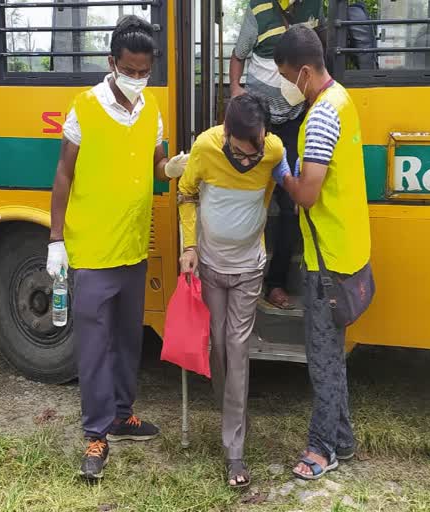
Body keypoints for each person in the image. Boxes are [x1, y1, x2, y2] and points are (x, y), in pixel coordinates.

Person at [46, 16, 189, 481]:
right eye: (130, 68)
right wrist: (55, 238)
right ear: (112, 62)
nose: (138, 77)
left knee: (129, 340)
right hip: (92, 250)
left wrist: (172, 168)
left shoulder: (152, 109)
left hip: (132, 245)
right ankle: (95, 432)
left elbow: (157, 162)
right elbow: (64, 173)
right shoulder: (85, 107)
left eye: (145, 70)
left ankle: (124, 415)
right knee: (93, 346)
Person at [271, 25, 373, 480]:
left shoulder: (320, 116)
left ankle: (322, 448)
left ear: (305, 71)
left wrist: (281, 174)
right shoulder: (342, 101)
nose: (283, 85)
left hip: (326, 260)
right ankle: (344, 440)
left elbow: (308, 194)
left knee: (324, 361)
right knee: (333, 355)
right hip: (347, 250)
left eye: (285, 75)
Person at [178, 94, 289, 488]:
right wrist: (190, 246)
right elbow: (187, 194)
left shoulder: (273, 150)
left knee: (237, 346)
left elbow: (284, 177)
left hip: (248, 268)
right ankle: (233, 413)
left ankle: (234, 449)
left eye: (257, 148)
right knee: (218, 347)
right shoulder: (206, 147)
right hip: (209, 265)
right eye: (244, 153)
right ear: (227, 136)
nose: (251, 159)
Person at [230, 0, 324, 310]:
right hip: (262, 121)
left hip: (296, 120)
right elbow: (238, 55)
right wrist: (236, 93)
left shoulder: (314, 7)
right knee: (251, 199)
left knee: (288, 207)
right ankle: (242, 275)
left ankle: (276, 282)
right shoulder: (258, 11)